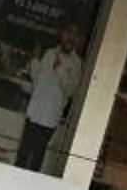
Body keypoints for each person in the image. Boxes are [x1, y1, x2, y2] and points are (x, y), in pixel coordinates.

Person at [16, 26, 83, 173]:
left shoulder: (76, 63)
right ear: (62, 34)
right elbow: (38, 80)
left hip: (49, 118)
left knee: (36, 159)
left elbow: (71, 90)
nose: (70, 37)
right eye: (68, 32)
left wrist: (60, 71)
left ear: (78, 40)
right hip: (34, 113)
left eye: (75, 34)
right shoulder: (50, 53)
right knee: (22, 155)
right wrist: (34, 59)